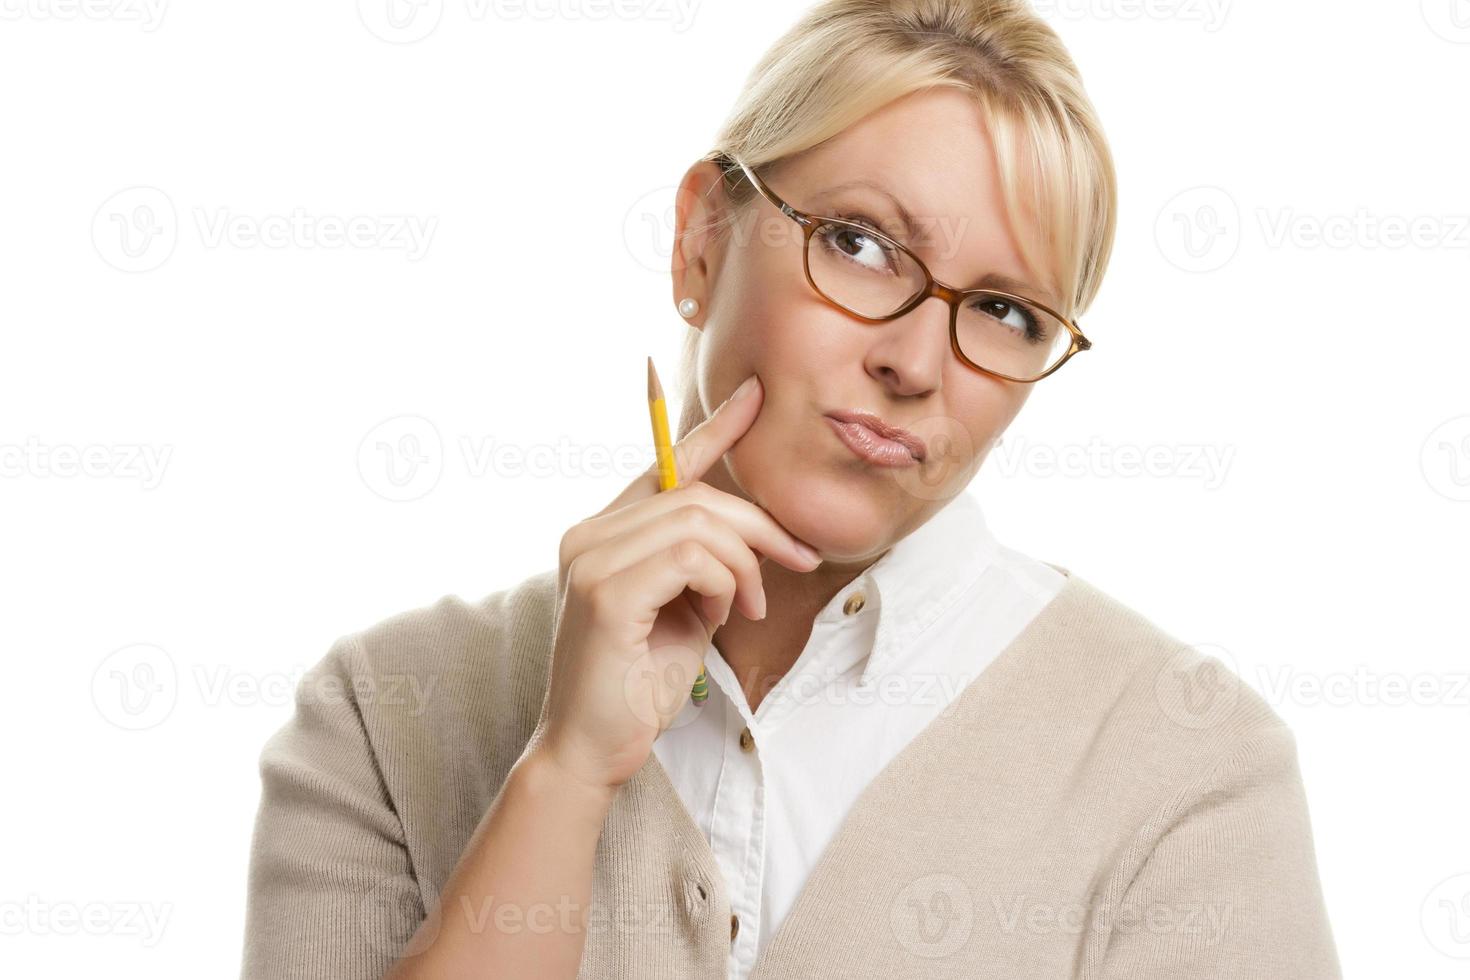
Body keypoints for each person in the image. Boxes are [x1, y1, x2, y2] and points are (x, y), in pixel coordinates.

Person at [240, 2, 1341, 977]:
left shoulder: (1188, 769)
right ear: (701, 240)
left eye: (1007, 313)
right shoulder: (387, 713)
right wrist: (566, 773)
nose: (916, 361)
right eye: (861, 244)